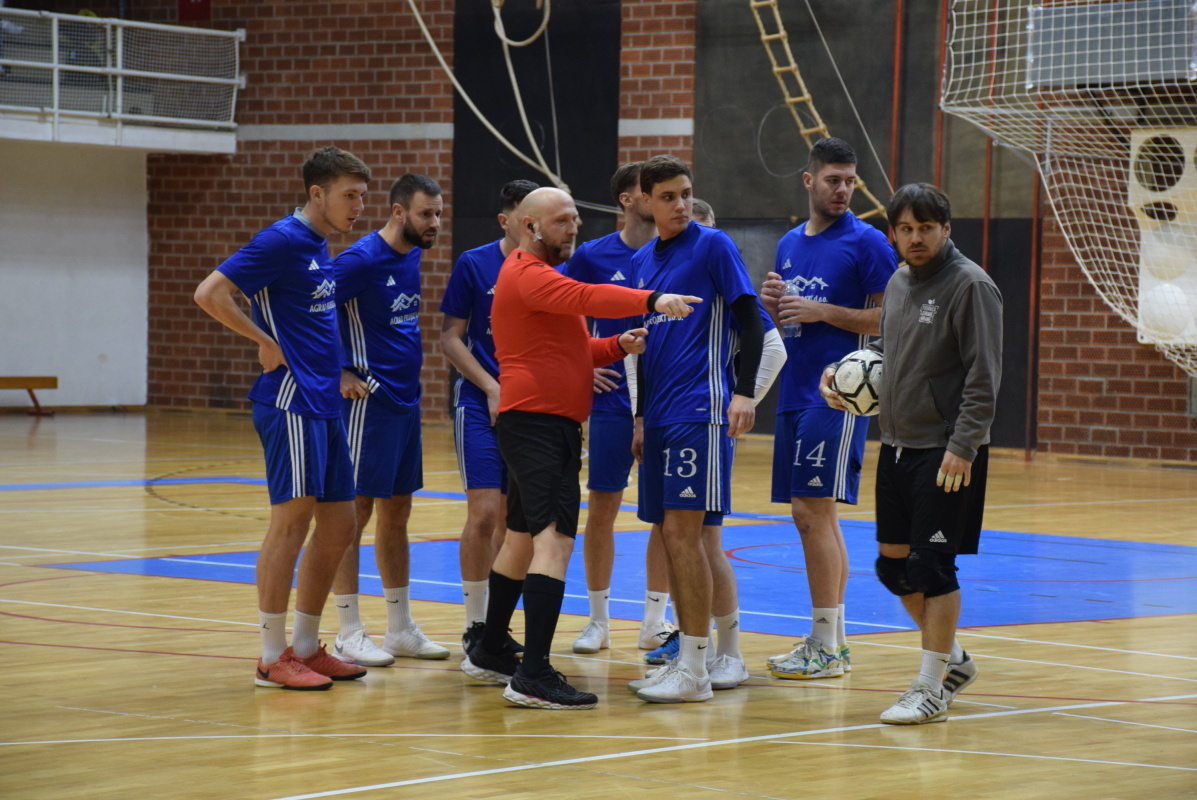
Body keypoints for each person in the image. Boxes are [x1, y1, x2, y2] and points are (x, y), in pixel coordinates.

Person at [460, 186, 700, 710]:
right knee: (555, 540)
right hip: (539, 427)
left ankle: (491, 646)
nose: (574, 229)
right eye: (562, 221)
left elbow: (567, 348)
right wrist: (651, 300)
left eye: (575, 219)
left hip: (538, 424)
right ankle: (534, 674)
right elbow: (590, 297)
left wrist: (615, 345)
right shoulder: (529, 273)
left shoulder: (537, 278)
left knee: (521, 538)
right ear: (530, 226)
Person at [820, 182, 1002, 724]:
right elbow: (891, 350)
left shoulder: (971, 286)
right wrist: (844, 376)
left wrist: (963, 447)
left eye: (926, 228)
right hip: (896, 445)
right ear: (893, 234)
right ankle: (954, 661)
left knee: (931, 566)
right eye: (906, 229)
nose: (916, 237)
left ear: (946, 229)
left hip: (946, 451)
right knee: (894, 568)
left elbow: (984, 378)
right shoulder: (899, 282)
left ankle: (930, 687)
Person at [193, 146, 372, 690]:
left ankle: (306, 647)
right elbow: (210, 293)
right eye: (349, 195)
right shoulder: (282, 239)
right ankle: (272, 656)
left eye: (363, 196)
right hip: (290, 401)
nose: (358, 206)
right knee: (291, 523)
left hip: (325, 403)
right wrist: (262, 340)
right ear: (317, 193)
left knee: (340, 525)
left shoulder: (318, 244)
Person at [627, 155, 765, 703]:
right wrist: (640, 416)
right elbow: (643, 348)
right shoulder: (641, 261)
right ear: (645, 201)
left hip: (699, 412)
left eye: (686, 193)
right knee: (681, 536)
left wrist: (745, 392)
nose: (681, 204)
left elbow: (751, 320)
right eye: (668, 197)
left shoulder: (713, 246)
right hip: (660, 416)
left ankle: (694, 668)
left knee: (686, 537)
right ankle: (706, 658)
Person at [758, 137, 897, 680]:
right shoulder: (789, 243)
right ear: (809, 180)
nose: (843, 190)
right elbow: (789, 321)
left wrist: (823, 310)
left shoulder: (868, 242)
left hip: (838, 393)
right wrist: (774, 306)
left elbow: (889, 318)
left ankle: (824, 643)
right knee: (817, 516)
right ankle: (832, 643)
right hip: (794, 389)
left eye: (850, 181)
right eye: (833, 180)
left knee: (809, 513)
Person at [328, 174, 450, 665]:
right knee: (353, 513)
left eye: (438, 213)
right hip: (367, 402)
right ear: (399, 212)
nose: (435, 223)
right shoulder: (360, 259)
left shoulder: (411, 253)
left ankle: (399, 628)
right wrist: (338, 370)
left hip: (405, 401)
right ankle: (348, 631)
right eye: (426, 214)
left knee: (398, 512)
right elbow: (311, 309)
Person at [563, 162, 672, 655]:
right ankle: (597, 620)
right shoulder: (591, 255)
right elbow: (558, 311)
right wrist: (581, 363)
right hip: (611, 399)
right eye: (648, 192)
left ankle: (654, 620)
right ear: (628, 200)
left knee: (666, 515)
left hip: (665, 399)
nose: (658, 199)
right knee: (602, 507)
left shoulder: (673, 253)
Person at [440, 179, 538, 659]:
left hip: (532, 405)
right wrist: (492, 387)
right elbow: (450, 338)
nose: (535, 226)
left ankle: (498, 625)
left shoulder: (552, 266)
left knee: (513, 520)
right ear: (506, 220)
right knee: (482, 513)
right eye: (527, 217)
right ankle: (475, 624)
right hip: (481, 400)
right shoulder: (474, 264)